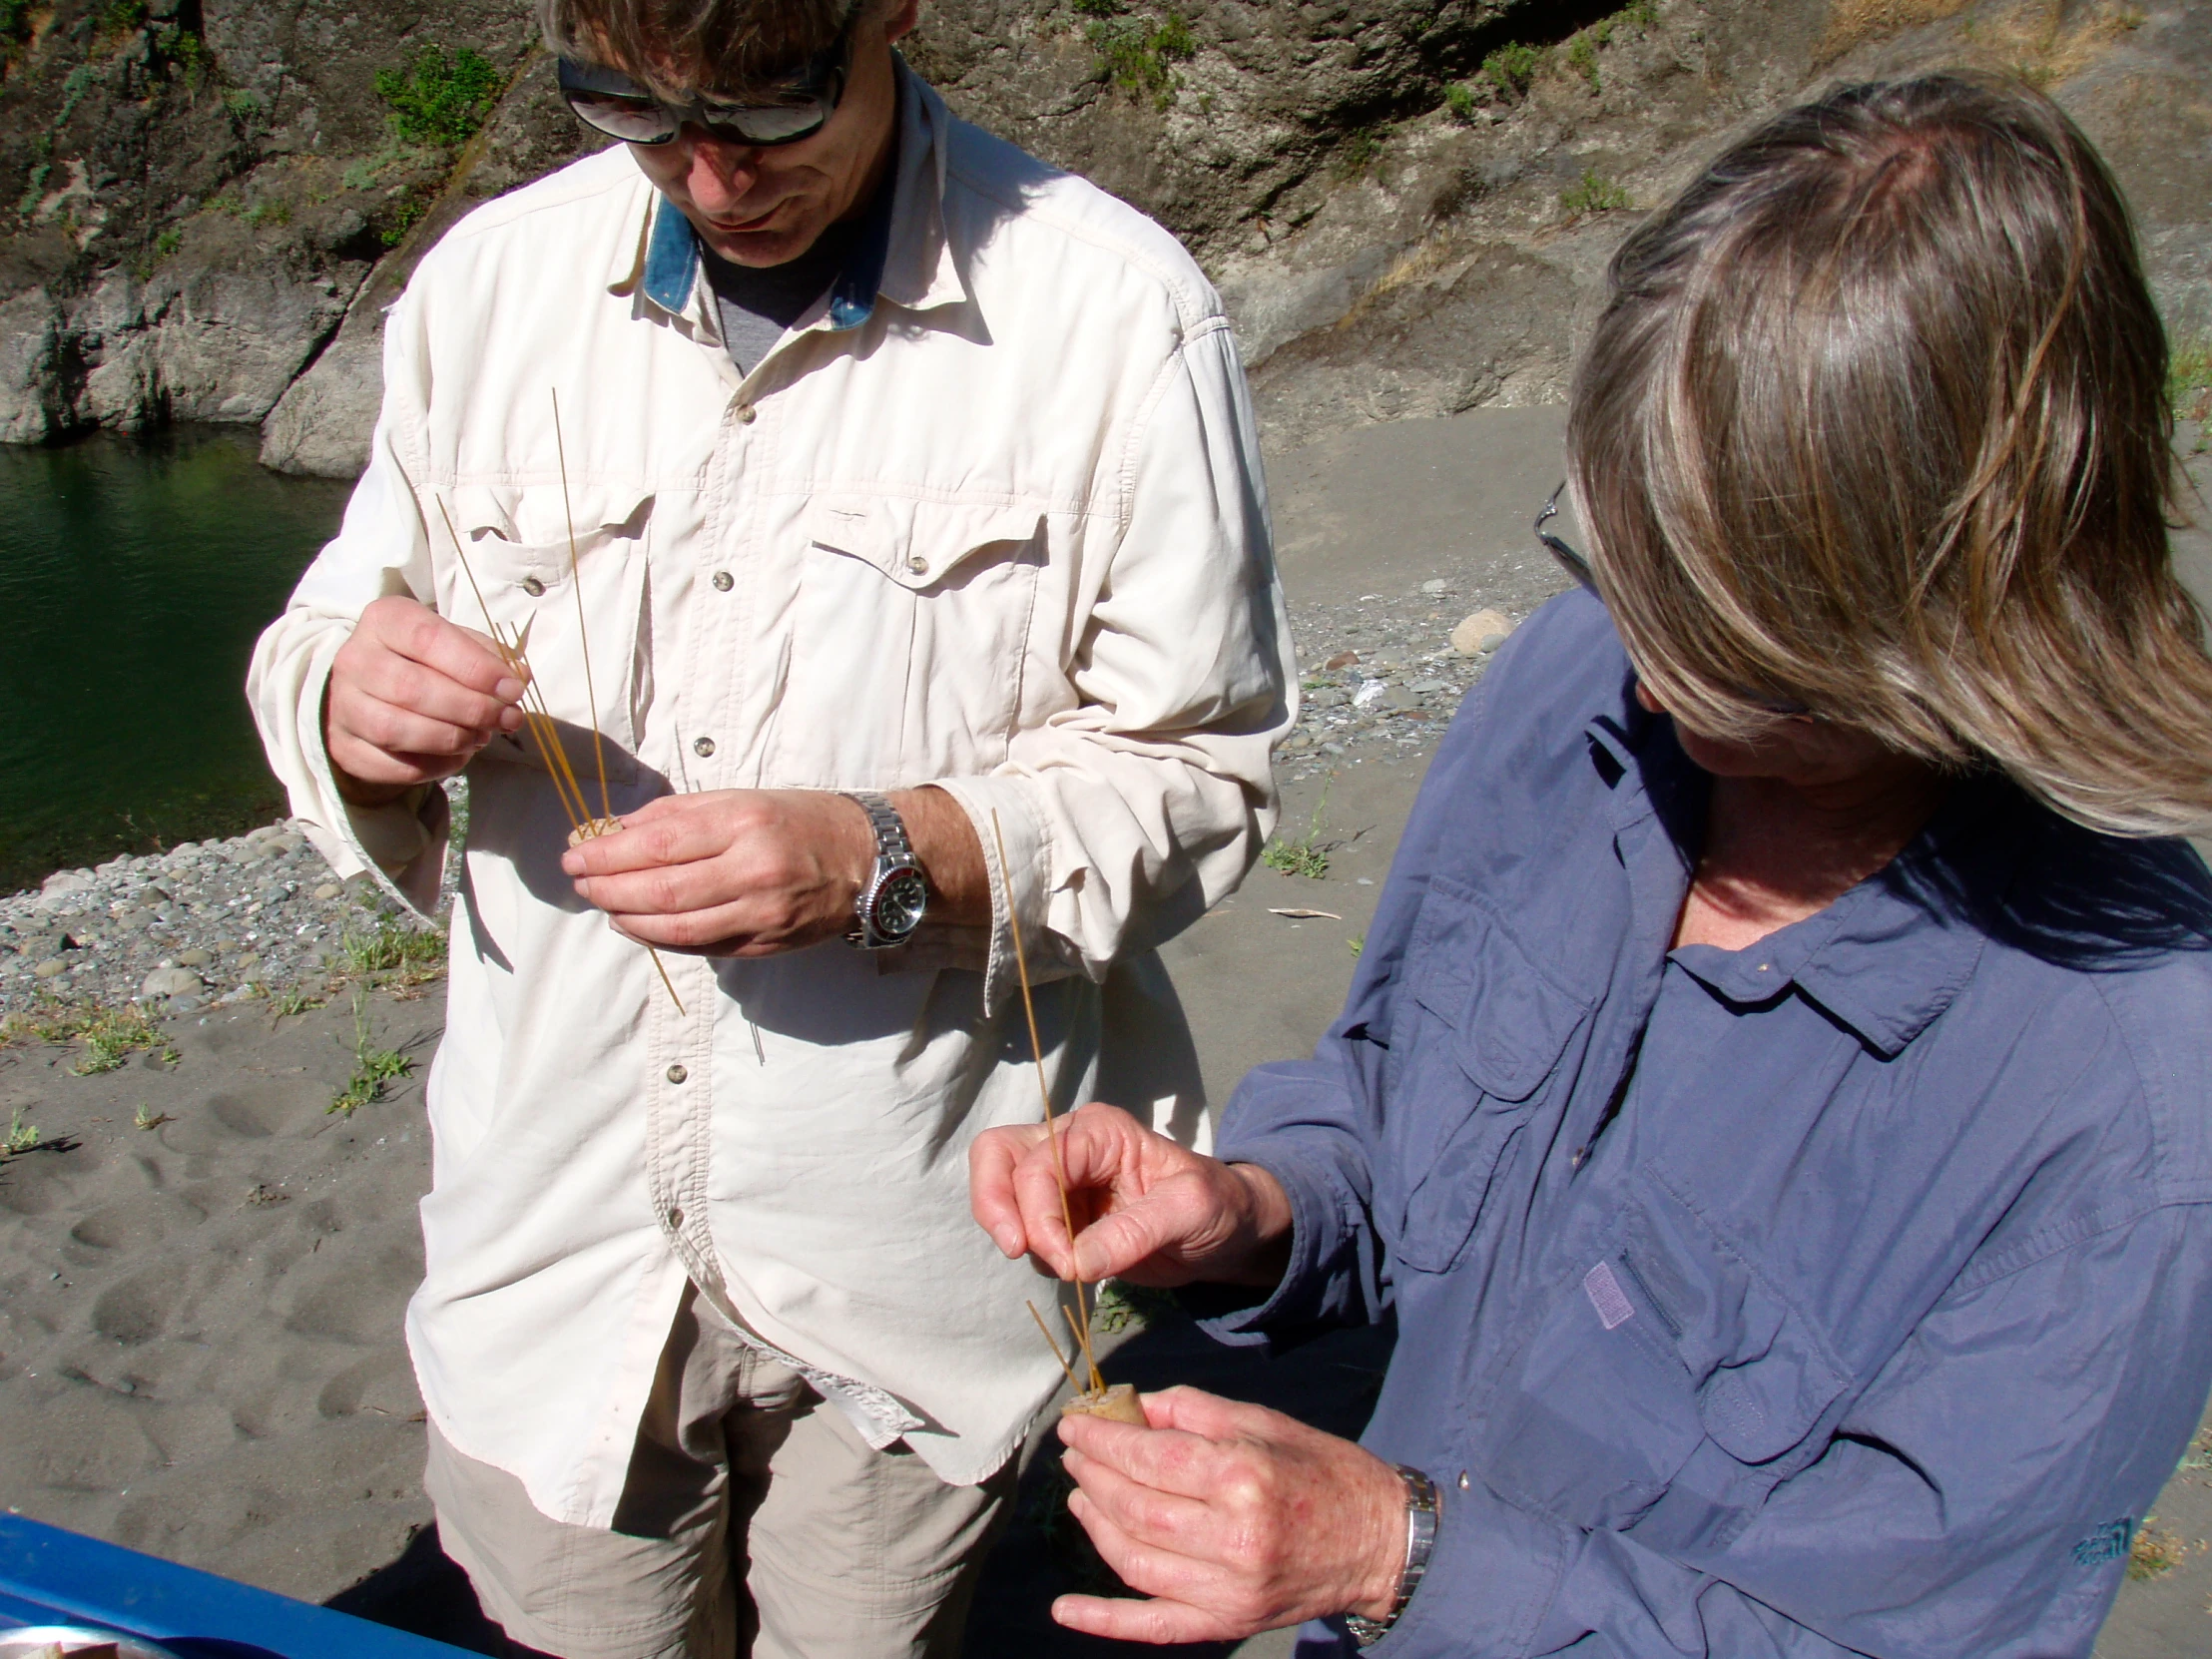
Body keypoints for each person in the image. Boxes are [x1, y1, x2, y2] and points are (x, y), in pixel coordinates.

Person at [973, 74, 2212, 1656]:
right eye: (1617, 555)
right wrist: (1256, 1208)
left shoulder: (2121, 1093)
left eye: (1721, 622)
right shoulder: (1580, 681)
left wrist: (1398, 1551)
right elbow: (1398, 1099)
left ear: (1949, 629)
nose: (1644, 662)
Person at [247, 0, 1291, 1650]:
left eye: (772, 112)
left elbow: (1205, 776)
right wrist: (347, 709)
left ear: (896, 12)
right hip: (554, 1258)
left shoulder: (1115, 316)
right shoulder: (486, 291)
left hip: (912, 1269)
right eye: (637, 116)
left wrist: (885, 850)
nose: (715, 178)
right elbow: (322, 635)